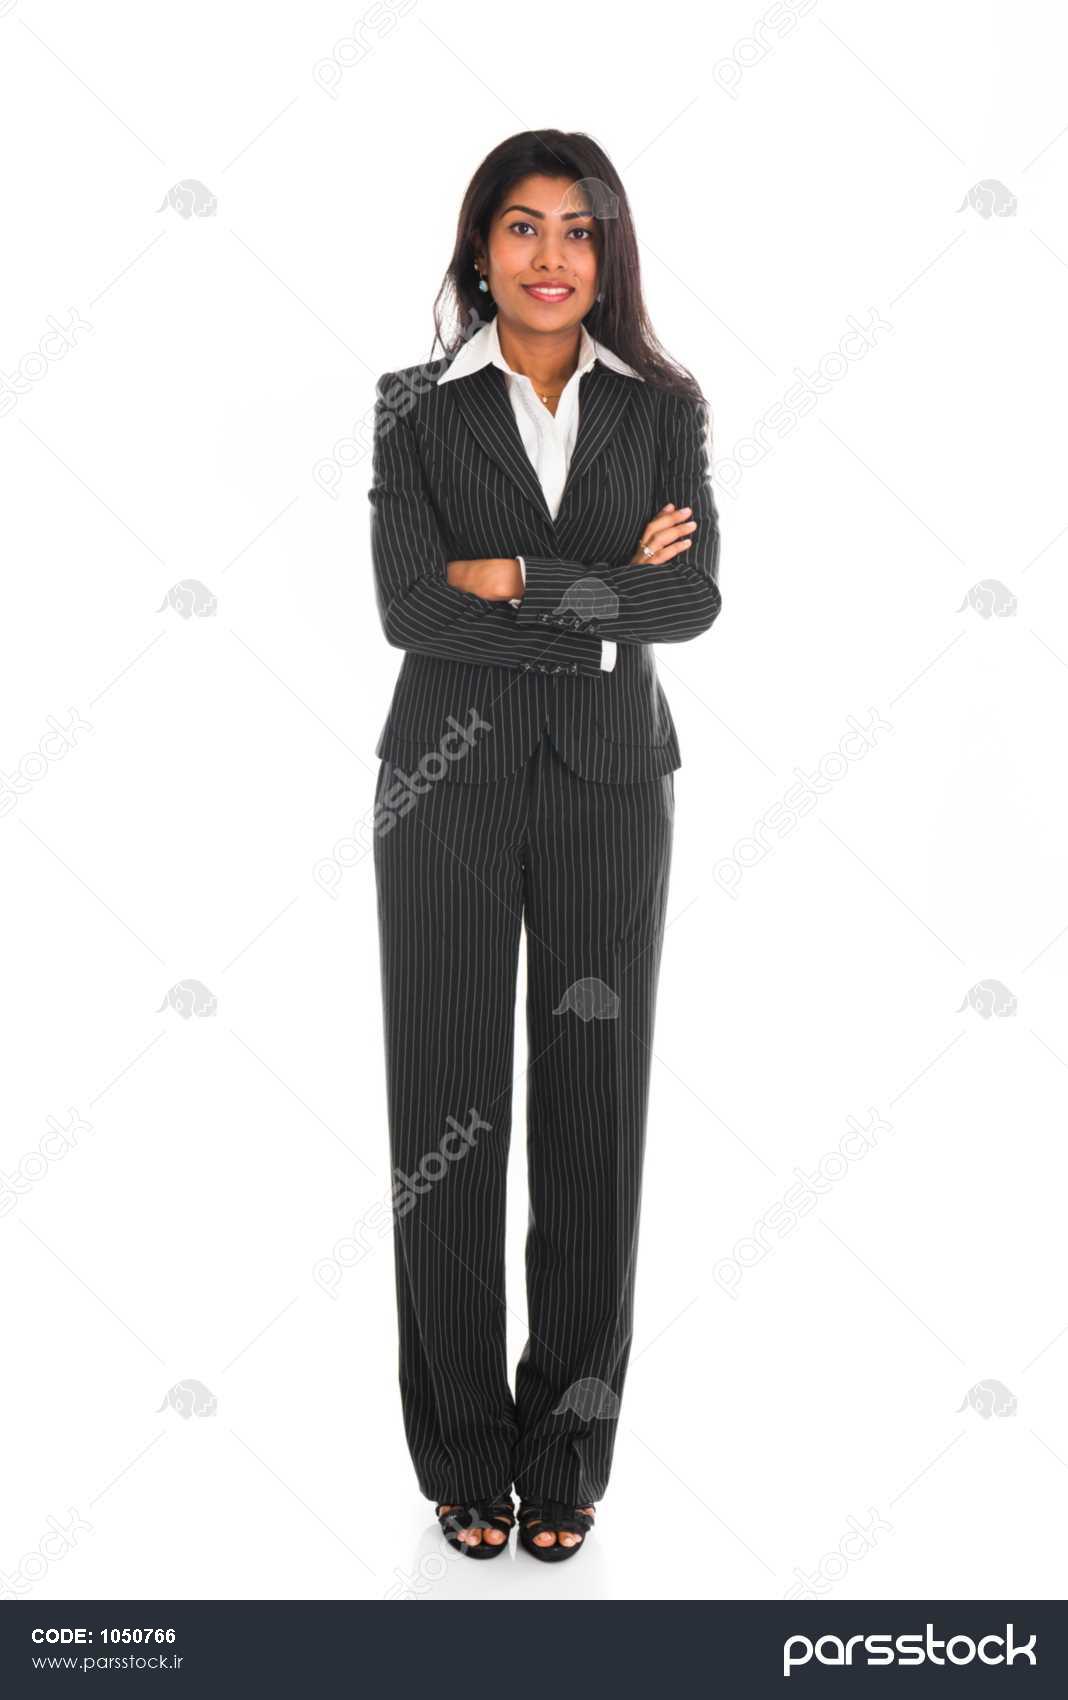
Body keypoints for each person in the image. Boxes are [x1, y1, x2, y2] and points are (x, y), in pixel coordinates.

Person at [369, 128, 722, 1563]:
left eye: (579, 230)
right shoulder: (413, 407)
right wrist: (598, 595)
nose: (551, 256)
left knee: (595, 1118)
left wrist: (513, 575)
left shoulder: (664, 409)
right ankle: (463, 1454)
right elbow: (409, 609)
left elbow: (691, 601)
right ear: (481, 249)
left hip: (610, 790)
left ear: (607, 254)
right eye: (523, 227)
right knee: (445, 1119)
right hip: (442, 792)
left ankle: (566, 1458)